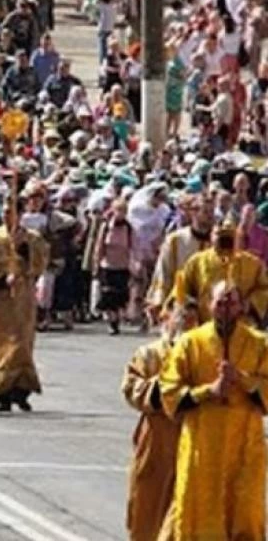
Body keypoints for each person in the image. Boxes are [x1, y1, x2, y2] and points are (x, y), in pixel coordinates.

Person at [159, 281, 268, 539]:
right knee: (197, 505)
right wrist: (208, 391)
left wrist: (243, 379)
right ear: (210, 306)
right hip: (202, 440)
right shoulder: (190, 343)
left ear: (241, 307)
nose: (225, 309)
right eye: (220, 303)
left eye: (231, 303)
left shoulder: (259, 344)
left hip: (244, 441)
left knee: (245, 509)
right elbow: (170, 390)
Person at [121, 299, 197, 541]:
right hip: (156, 443)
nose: (186, 322)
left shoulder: (206, 355)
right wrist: (165, 389)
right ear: (169, 318)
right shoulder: (150, 354)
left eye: (193, 318)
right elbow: (131, 388)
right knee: (147, 511)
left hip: (194, 441)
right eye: (181, 315)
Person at [0, 189, 50, 412]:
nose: (10, 216)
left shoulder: (32, 237)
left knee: (23, 344)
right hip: (2, 299)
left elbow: (40, 263)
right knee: (4, 343)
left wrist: (24, 250)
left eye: (14, 212)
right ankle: (3, 393)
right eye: (6, 212)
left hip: (24, 298)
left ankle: (22, 391)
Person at [173, 218, 268, 325]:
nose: (226, 240)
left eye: (229, 236)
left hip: (243, 327)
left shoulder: (253, 263)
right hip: (204, 327)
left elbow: (264, 288)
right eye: (221, 235)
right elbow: (181, 290)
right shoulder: (196, 261)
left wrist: (249, 304)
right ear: (211, 236)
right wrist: (190, 308)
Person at [148, 195, 213, 319]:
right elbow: (163, 272)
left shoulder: (218, 241)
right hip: (181, 305)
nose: (210, 216)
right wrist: (158, 300)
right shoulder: (175, 240)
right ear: (193, 212)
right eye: (205, 211)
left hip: (209, 308)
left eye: (211, 211)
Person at [94, 198, 133, 335]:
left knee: (120, 295)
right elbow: (100, 245)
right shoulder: (106, 227)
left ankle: (116, 319)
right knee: (108, 294)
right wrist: (97, 262)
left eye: (123, 211)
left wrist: (134, 264)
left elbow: (132, 246)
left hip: (123, 265)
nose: (120, 214)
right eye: (118, 210)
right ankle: (112, 322)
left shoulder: (128, 227)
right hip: (108, 265)